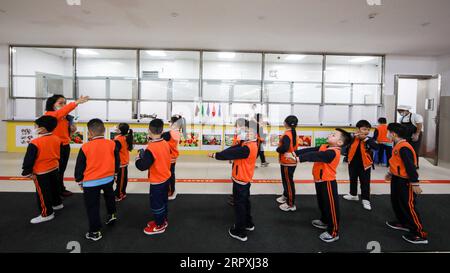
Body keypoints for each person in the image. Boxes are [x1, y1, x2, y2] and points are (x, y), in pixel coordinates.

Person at [289, 128, 352, 243]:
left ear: (340, 143)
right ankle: (324, 220)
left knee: (331, 207)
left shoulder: (333, 152)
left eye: (333, 135)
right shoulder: (325, 147)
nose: (330, 135)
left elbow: (315, 155)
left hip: (328, 182)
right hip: (319, 180)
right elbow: (312, 149)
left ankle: (334, 232)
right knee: (322, 203)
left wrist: (299, 159)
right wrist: (296, 152)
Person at [208, 120, 258, 242]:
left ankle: (240, 231)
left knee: (240, 205)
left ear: (255, 134)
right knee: (245, 202)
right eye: (245, 131)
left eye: (248, 131)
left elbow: (231, 154)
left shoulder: (247, 148)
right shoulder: (247, 143)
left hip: (241, 179)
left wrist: (216, 155)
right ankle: (248, 223)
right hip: (244, 178)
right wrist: (220, 153)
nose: (244, 133)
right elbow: (233, 149)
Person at [75, 119, 119, 241]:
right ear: (104, 131)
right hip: (108, 179)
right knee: (109, 197)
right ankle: (112, 215)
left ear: (89, 133)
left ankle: (95, 232)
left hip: (90, 183)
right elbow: (116, 160)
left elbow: (79, 166)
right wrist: (115, 173)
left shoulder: (85, 147)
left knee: (92, 207)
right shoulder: (112, 144)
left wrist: (79, 180)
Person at [385, 123, 428, 244]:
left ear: (393, 134)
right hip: (397, 179)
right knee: (396, 201)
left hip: (406, 181)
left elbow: (410, 166)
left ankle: (420, 234)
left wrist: (415, 183)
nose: (387, 134)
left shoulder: (404, 147)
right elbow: (397, 163)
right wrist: (390, 173)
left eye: (388, 132)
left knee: (408, 205)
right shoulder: (397, 145)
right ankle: (403, 223)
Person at [45, 94, 89, 197]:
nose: (64, 105)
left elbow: (66, 132)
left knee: (61, 169)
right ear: (52, 104)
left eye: (65, 103)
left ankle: (60, 189)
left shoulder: (64, 117)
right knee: (55, 170)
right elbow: (60, 113)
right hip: (54, 147)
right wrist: (76, 102)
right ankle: (55, 191)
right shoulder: (50, 115)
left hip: (65, 145)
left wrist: (72, 130)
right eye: (60, 103)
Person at [22, 116, 63, 224]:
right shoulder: (57, 139)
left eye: (36, 126)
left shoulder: (35, 142)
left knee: (43, 194)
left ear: (43, 129)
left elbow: (29, 159)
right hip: (54, 168)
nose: (34, 127)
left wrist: (27, 172)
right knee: (54, 188)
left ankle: (46, 214)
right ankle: (57, 204)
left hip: (41, 172)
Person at [135, 119, 172, 235]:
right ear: (162, 130)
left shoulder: (151, 148)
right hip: (166, 178)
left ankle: (159, 225)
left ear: (149, 131)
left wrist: (138, 157)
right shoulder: (165, 143)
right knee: (163, 201)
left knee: (156, 203)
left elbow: (142, 166)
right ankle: (162, 220)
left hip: (157, 181)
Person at [343, 120, 378, 211]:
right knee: (353, 179)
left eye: (368, 130)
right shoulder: (352, 138)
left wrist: (365, 139)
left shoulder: (369, 139)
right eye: (364, 129)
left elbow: (376, 147)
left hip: (365, 165)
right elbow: (343, 144)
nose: (366, 131)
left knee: (365, 182)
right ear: (358, 129)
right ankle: (353, 195)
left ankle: (366, 200)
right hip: (352, 163)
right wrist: (352, 136)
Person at [276, 115, 300, 212]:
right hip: (289, 161)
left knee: (288, 182)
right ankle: (286, 195)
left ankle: (290, 204)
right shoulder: (292, 133)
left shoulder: (287, 134)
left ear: (285, 123)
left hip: (287, 162)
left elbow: (284, 148)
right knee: (286, 180)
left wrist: (278, 149)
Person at [162, 115, 184, 200]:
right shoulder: (174, 132)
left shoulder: (171, 133)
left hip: (170, 158)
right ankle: (172, 191)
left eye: (170, 122)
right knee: (171, 174)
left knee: (169, 175)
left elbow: (161, 137)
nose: (169, 123)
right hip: (171, 157)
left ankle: (171, 192)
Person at [113, 123, 133, 202]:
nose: (116, 128)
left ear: (120, 130)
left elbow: (115, 151)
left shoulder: (119, 139)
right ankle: (122, 192)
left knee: (120, 180)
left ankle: (119, 194)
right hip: (124, 162)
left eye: (117, 127)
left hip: (121, 163)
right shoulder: (126, 137)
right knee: (123, 179)